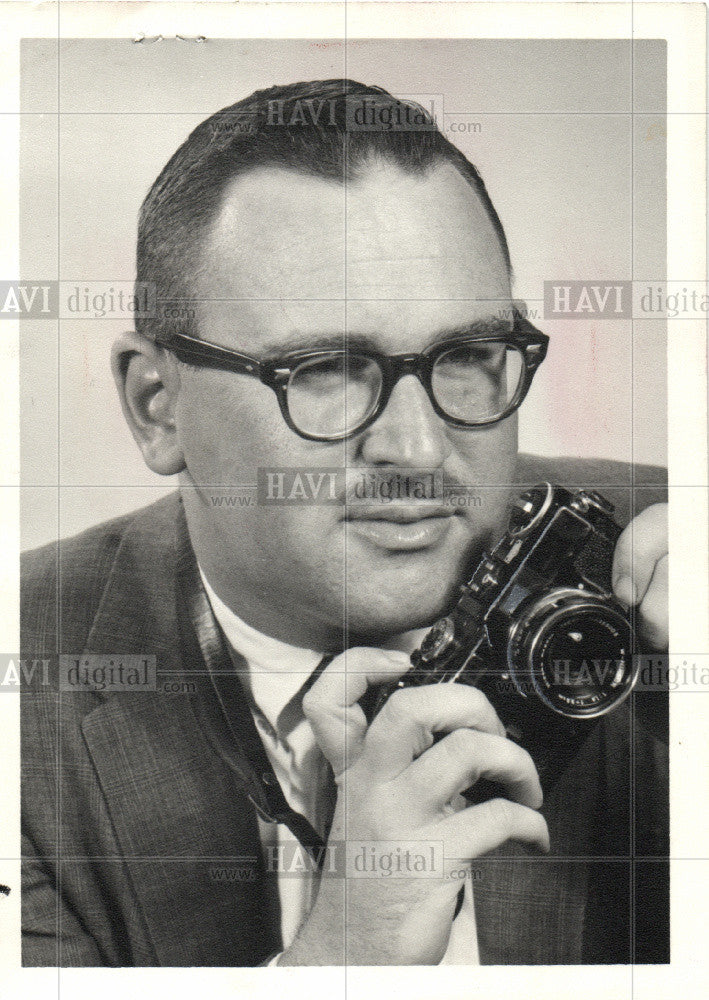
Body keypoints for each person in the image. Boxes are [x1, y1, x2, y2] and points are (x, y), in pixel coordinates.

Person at [21, 79, 669, 967]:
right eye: (325, 369)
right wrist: (341, 964)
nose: (417, 448)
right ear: (156, 406)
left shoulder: (665, 570)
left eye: (468, 357)